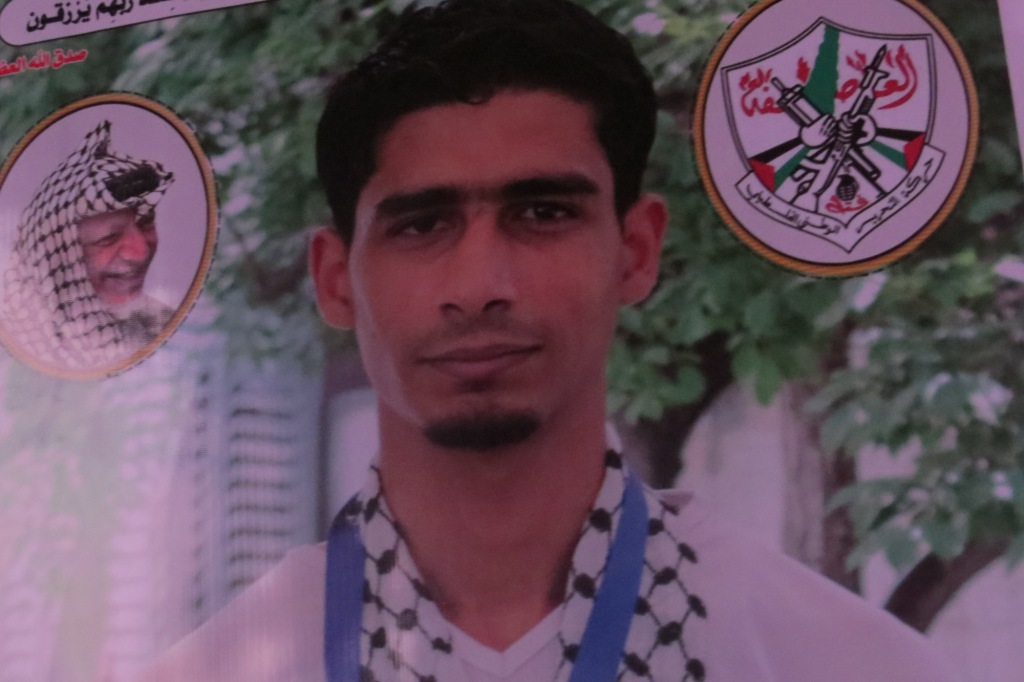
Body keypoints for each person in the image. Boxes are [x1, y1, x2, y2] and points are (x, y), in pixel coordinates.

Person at [136, 1, 959, 680]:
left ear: (635, 251)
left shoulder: (846, 663)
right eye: (421, 224)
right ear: (335, 280)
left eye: (543, 212)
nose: (478, 284)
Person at [1, 120, 174, 371]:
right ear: (57, 258)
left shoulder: (160, 323)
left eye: (146, 223)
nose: (141, 252)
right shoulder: (14, 345)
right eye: (109, 238)